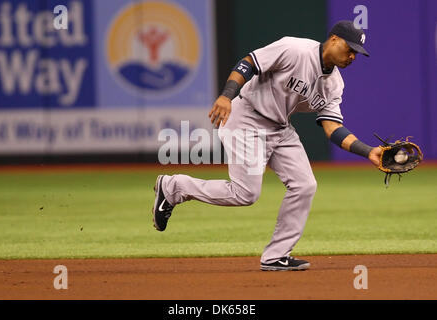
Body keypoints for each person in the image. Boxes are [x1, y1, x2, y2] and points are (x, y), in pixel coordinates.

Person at [152, 21, 382, 271]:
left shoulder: (334, 85)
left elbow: (333, 128)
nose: (352, 57)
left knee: (305, 185)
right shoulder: (295, 49)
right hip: (246, 117)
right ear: (334, 39)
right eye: (350, 49)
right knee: (245, 193)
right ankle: (173, 186)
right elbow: (249, 62)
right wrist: (226, 96)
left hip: (280, 128)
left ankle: (276, 255)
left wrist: (367, 151)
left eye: (356, 54)